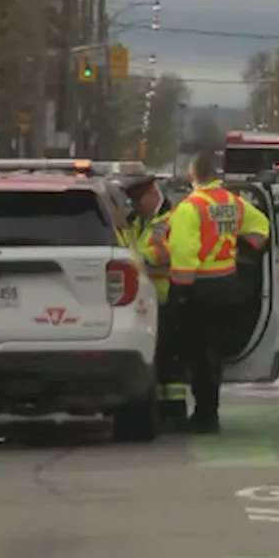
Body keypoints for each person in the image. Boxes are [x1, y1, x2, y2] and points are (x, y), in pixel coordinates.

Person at [167, 150, 270, 433]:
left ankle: (204, 416)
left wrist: (181, 292)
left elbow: (185, 253)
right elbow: (261, 227)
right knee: (215, 355)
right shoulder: (233, 202)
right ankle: (210, 411)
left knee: (199, 355)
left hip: (201, 289)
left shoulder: (191, 207)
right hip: (229, 285)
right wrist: (247, 251)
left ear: (193, 176)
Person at [122, 173, 188, 425]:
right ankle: (158, 409)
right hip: (141, 301)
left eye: (139, 202)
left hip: (167, 297)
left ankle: (174, 411)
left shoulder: (174, 218)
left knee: (171, 357)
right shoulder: (137, 220)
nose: (136, 208)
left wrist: (137, 257)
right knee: (153, 356)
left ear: (153, 194)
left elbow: (171, 250)